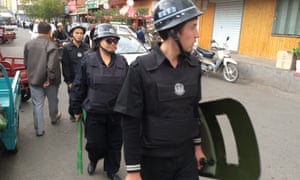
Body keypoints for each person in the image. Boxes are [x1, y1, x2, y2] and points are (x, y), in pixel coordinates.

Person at [114, 0, 206, 179]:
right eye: (193, 27)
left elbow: (194, 111)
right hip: (153, 163)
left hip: (186, 159)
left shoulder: (194, 66)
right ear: (174, 32)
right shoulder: (141, 69)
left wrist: (198, 147)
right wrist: (133, 170)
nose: (197, 34)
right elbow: (130, 122)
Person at [70, 23, 128, 180]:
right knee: (95, 144)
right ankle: (94, 159)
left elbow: (128, 89)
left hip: (116, 114)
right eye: (109, 40)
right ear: (99, 41)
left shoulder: (122, 62)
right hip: (95, 113)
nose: (113, 44)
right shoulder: (88, 61)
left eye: (115, 41)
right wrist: (75, 110)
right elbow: (78, 87)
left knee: (115, 145)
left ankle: (111, 170)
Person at [24, 22, 62, 136]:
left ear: (38, 30)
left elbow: (26, 63)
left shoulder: (28, 44)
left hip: (34, 79)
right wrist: (49, 79)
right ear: (49, 32)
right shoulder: (51, 46)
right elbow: (52, 66)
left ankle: (39, 130)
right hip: (50, 81)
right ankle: (54, 118)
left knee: (37, 104)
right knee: (53, 100)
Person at [61, 23, 89, 122]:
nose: (79, 35)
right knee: (73, 97)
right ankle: (73, 113)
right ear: (72, 34)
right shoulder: (67, 48)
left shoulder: (86, 47)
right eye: (77, 33)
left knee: (84, 96)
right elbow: (65, 66)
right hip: (73, 79)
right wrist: (69, 81)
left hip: (84, 78)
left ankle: (82, 112)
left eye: (81, 33)